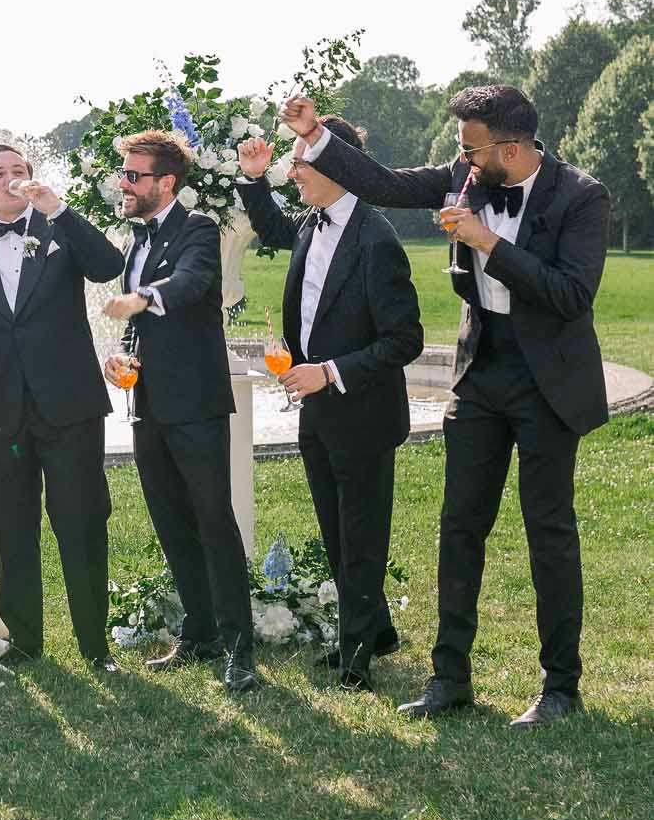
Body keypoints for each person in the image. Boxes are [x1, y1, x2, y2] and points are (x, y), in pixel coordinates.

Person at [280, 84, 610, 726]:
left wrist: (487, 243)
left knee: (549, 532)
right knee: (459, 528)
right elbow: (382, 183)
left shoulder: (581, 197)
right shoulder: (467, 172)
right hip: (482, 370)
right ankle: (448, 677)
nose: (459, 157)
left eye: (469, 145)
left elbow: (570, 295)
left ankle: (560, 688)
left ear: (509, 148)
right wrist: (315, 134)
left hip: (547, 380)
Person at [236, 119, 424, 690]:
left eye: (300, 163)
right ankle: (377, 629)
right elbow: (268, 224)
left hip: (362, 412)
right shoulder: (311, 224)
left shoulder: (376, 239)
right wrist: (252, 178)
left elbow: (405, 339)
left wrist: (330, 372)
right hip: (317, 410)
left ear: (336, 166)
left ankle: (356, 657)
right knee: (337, 534)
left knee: (361, 538)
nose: (291, 172)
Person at [0, 142, 125, 672]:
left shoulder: (60, 230)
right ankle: (26, 640)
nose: (9, 179)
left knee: (81, 521)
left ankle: (96, 646)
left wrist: (60, 209)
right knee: (11, 528)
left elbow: (108, 265)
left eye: (19, 171)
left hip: (68, 407)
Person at [101, 129, 257, 692]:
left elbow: (191, 284)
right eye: (125, 174)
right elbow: (138, 324)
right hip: (148, 406)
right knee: (171, 521)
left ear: (165, 183)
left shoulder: (198, 229)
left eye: (134, 175)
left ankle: (241, 648)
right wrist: (122, 352)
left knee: (215, 521)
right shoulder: (134, 241)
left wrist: (141, 297)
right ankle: (201, 631)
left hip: (195, 405)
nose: (125, 183)